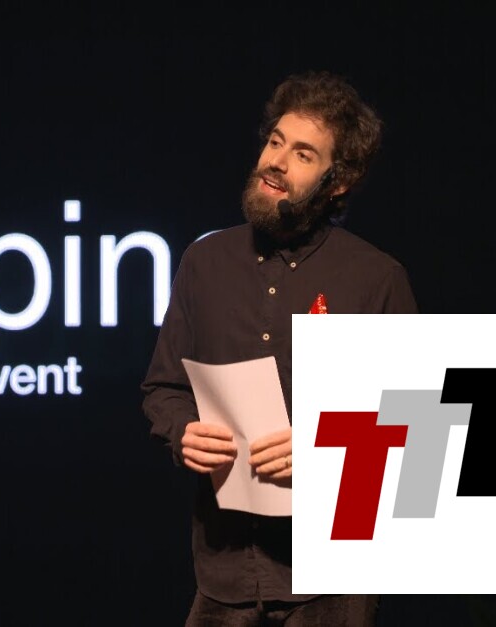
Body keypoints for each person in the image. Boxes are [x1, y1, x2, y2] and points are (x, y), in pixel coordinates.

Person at [141, 71, 418, 626]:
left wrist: (326, 449)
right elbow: (164, 388)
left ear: (338, 182)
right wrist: (183, 431)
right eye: (275, 142)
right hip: (224, 568)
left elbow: (417, 426)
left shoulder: (376, 278)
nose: (277, 162)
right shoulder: (205, 262)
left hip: (332, 578)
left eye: (303, 154)